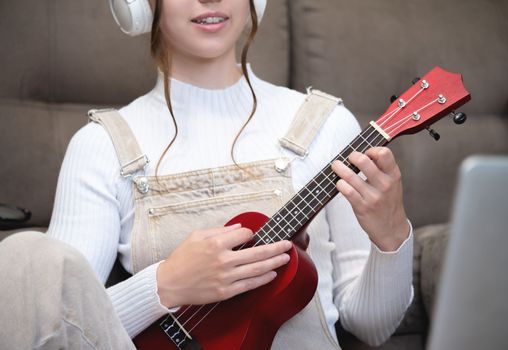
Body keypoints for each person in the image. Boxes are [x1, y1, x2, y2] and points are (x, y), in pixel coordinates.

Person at [0, 0, 413, 349]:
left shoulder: (327, 124)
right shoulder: (102, 145)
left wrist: (391, 234)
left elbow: (371, 327)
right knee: (22, 256)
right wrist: (164, 286)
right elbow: (56, 324)